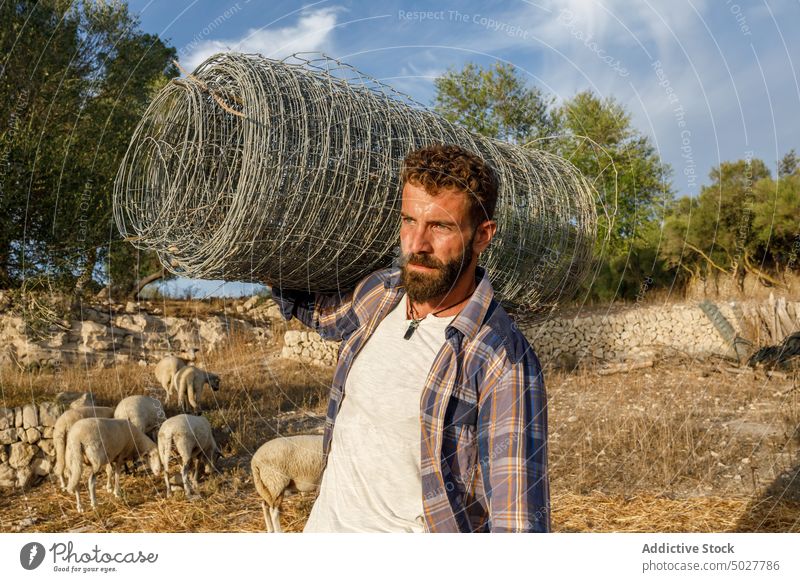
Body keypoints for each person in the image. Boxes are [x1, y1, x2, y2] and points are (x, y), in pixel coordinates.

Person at [270, 143, 549, 532]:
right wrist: (252, 244)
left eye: (440, 226)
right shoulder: (383, 293)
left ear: (483, 235)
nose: (416, 244)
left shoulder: (501, 359)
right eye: (408, 220)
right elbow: (318, 312)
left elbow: (518, 523)